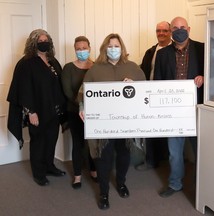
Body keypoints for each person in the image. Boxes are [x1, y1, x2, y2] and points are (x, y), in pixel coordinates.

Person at [78, 33, 145, 210]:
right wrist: (82, 107)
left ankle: (121, 183)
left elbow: (146, 91)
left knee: (124, 154)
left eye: (116, 46)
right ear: (104, 49)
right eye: (110, 46)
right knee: (103, 157)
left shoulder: (133, 67)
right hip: (103, 124)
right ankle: (104, 192)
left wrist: (135, 86)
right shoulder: (95, 69)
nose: (113, 49)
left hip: (126, 122)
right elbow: (83, 92)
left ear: (122, 48)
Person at [7, 29, 67, 186]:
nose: (44, 43)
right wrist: (31, 112)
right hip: (38, 111)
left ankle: (49, 166)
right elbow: (23, 90)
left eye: (46, 40)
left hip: (54, 110)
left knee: (51, 139)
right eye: (40, 41)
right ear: (33, 43)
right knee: (38, 142)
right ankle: (38, 173)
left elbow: (59, 84)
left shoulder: (52, 61)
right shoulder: (26, 63)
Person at [154, 17, 204, 197]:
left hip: (198, 109)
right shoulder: (162, 54)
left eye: (182, 27)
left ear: (189, 29)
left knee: (201, 149)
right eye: (175, 28)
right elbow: (157, 83)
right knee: (174, 152)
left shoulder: (202, 49)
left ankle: (202, 185)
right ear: (171, 31)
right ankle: (175, 184)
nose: (179, 30)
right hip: (173, 111)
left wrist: (204, 78)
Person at [61, 36, 98, 189]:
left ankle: (94, 171)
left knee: (93, 144)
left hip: (95, 113)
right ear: (75, 50)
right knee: (78, 143)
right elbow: (68, 92)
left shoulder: (96, 66)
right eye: (78, 49)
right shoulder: (68, 68)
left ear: (89, 48)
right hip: (75, 111)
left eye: (84, 48)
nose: (81, 51)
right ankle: (77, 176)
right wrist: (82, 106)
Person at [135, 21, 171, 171]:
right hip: (149, 96)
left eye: (164, 30)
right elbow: (143, 72)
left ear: (170, 32)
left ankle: (167, 161)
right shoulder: (150, 52)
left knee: (168, 130)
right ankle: (150, 160)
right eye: (158, 30)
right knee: (149, 128)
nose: (161, 33)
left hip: (167, 97)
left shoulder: (175, 51)